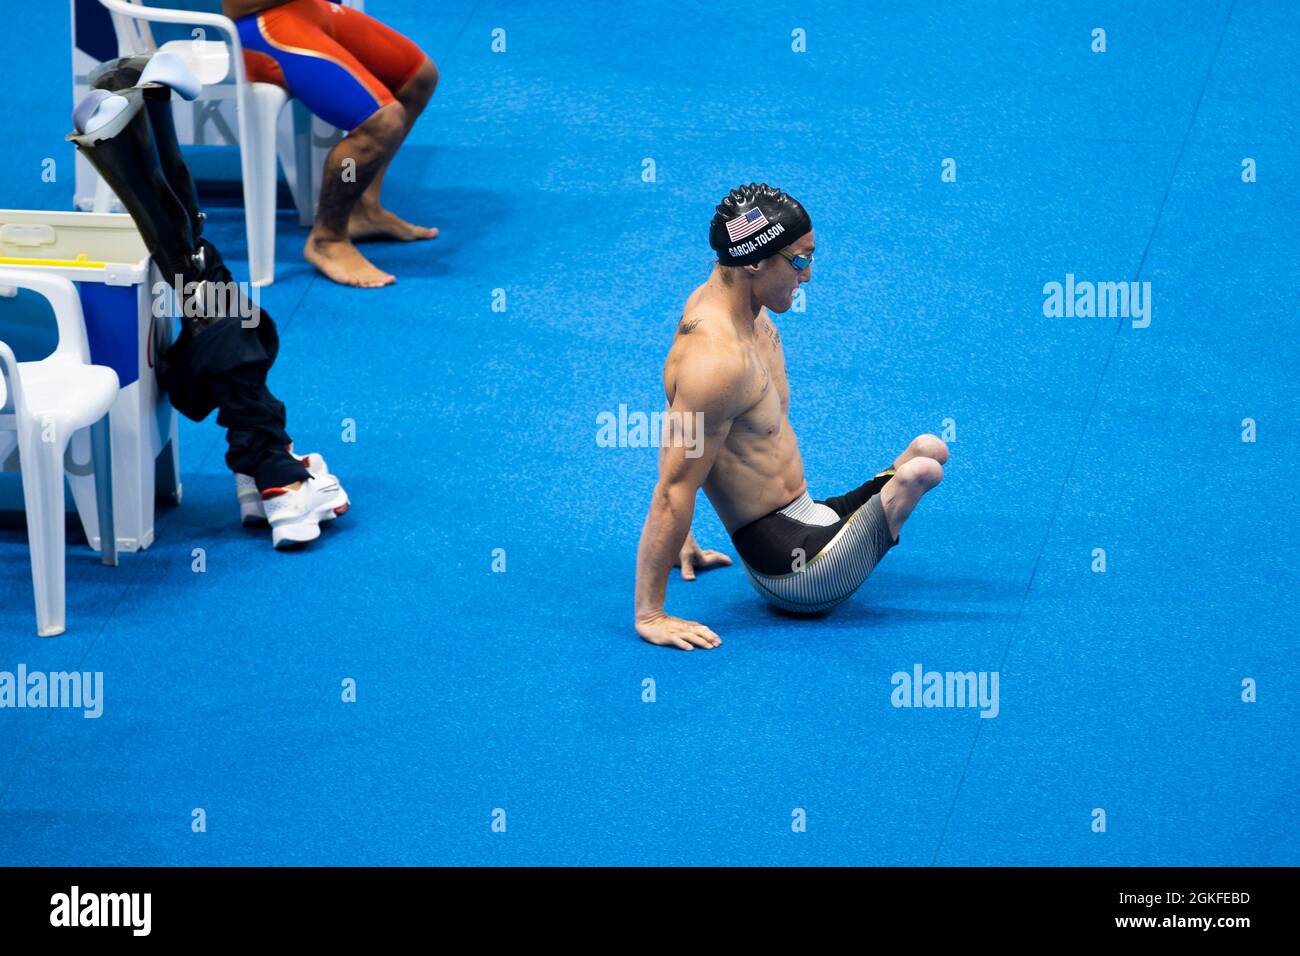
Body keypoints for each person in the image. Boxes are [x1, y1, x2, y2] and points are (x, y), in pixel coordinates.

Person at [633, 183, 947, 650]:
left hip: (808, 516)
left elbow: (679, 421)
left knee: (930, 449)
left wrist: (683, 538)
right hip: (792, 572)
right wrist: (651, 613)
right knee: (921, 471)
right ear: (755, 261)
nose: (808, 276)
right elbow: (674, 486)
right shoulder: (715, 360)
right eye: (799, 260)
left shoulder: (746, 313)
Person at [73, 53, 349, 549]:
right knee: (207, 282)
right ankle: (279, 482)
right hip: (215, 329)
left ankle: (133, 119)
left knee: (202, 275)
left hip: (206, 337)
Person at [223, 0, 440, 288]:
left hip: (306, 10)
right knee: (381, 122)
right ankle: (328, 238)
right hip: (257, 23)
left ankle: (363, 209)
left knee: (417, 77)